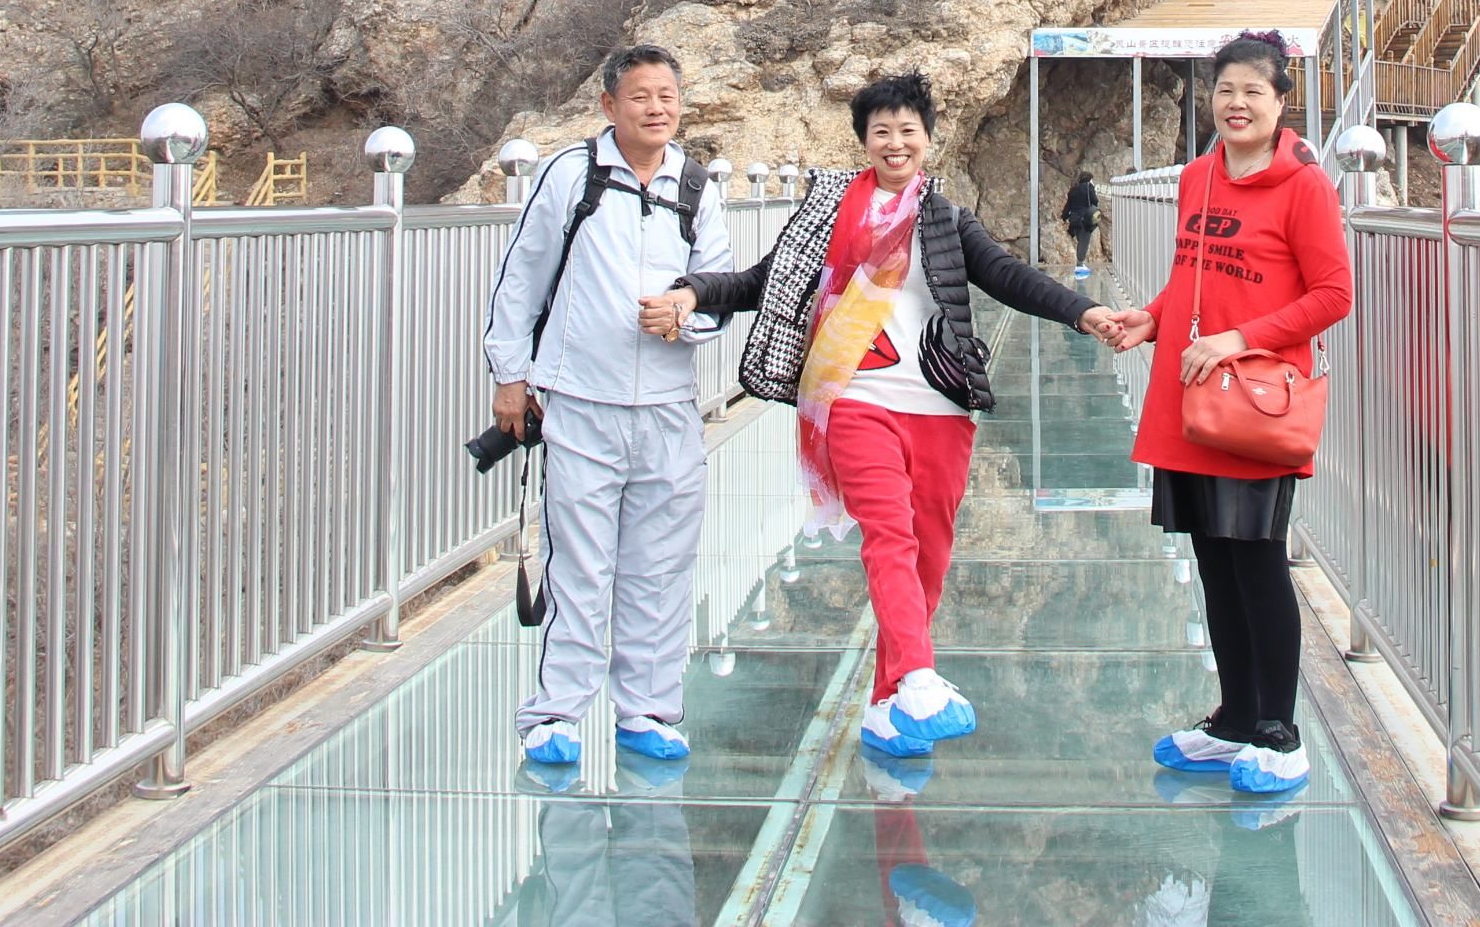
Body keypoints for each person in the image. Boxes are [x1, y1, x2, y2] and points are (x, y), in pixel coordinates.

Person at [646, 72, 1135, 762]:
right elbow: (765, 280)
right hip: (853, 398)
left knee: (929, 554)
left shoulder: (944, 218)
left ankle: (888, 704)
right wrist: (695, 291)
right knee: (889, 535)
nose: (895, 142)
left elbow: (1003, 275)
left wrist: (1081, 312)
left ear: (928, 141)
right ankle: (919, 677)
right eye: (882, 131)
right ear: (864, 141)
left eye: (908, 131)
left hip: (936, 405)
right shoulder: (825, 212)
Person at [484, 43, 733, 770]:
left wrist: (686, 317)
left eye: (667, 96)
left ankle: (648, 711)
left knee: (660, 566)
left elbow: (717, 288)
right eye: (641, 97)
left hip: (666, 406)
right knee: (582, 566)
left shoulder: (696, 186)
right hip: (579, 401)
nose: (657, 109)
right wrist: (510, 375)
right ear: (609, 106)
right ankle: (556, 714)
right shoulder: (573, 175)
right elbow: (523, 276)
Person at [1117, 32, 1353, 798]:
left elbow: (1332, 295)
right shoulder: (1197, 178)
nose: (1237, 103)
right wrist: (1152, 319)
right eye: (1225, 89)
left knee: (1256, 560)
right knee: (1214, 563)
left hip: (1252, 401)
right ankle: (1236, 719)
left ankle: (1280, 733)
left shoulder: (1304, 186)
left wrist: (1239, 339)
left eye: (1254, 90)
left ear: (1281, 101)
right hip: (1190, 401)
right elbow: (1190, 279)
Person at [1064, 171, 1102, 277]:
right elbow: (1095, 201)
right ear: (1090, 180)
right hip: (1085, 218)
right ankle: (1080, 264)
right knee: (1084, 242)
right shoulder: (1089, 188)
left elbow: (1068, 205)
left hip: (1074, 219)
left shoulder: (1073, 189)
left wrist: (1064, 216)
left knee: (1080, 240)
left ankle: (1080, 263)